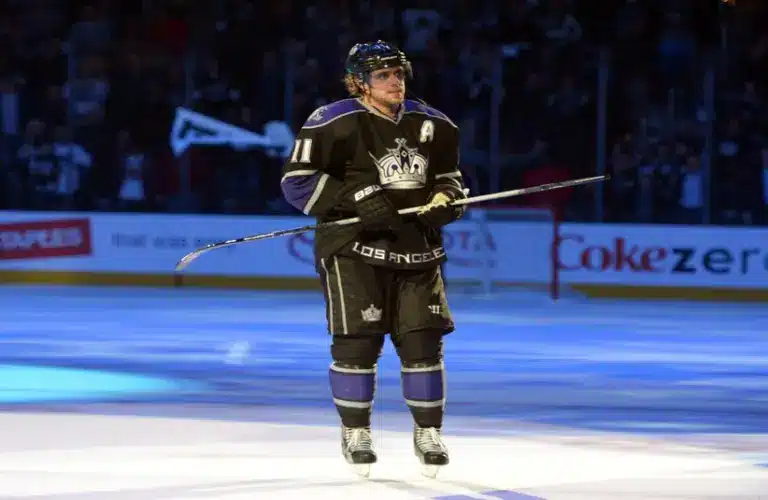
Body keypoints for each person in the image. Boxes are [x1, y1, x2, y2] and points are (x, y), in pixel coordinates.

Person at [280, 40, 467, 478]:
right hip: (352, 250)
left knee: (423, 343)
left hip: (418, 248)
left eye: (398, 74)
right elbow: (297, 183)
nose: (395, 82)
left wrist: (445, 201)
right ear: (358, 83)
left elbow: (451, 182)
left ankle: (428, 432)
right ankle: (356, 431)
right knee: (358, 344)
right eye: (383, 75)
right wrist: (356, 199)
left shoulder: (436, 124)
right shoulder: (331, 122)